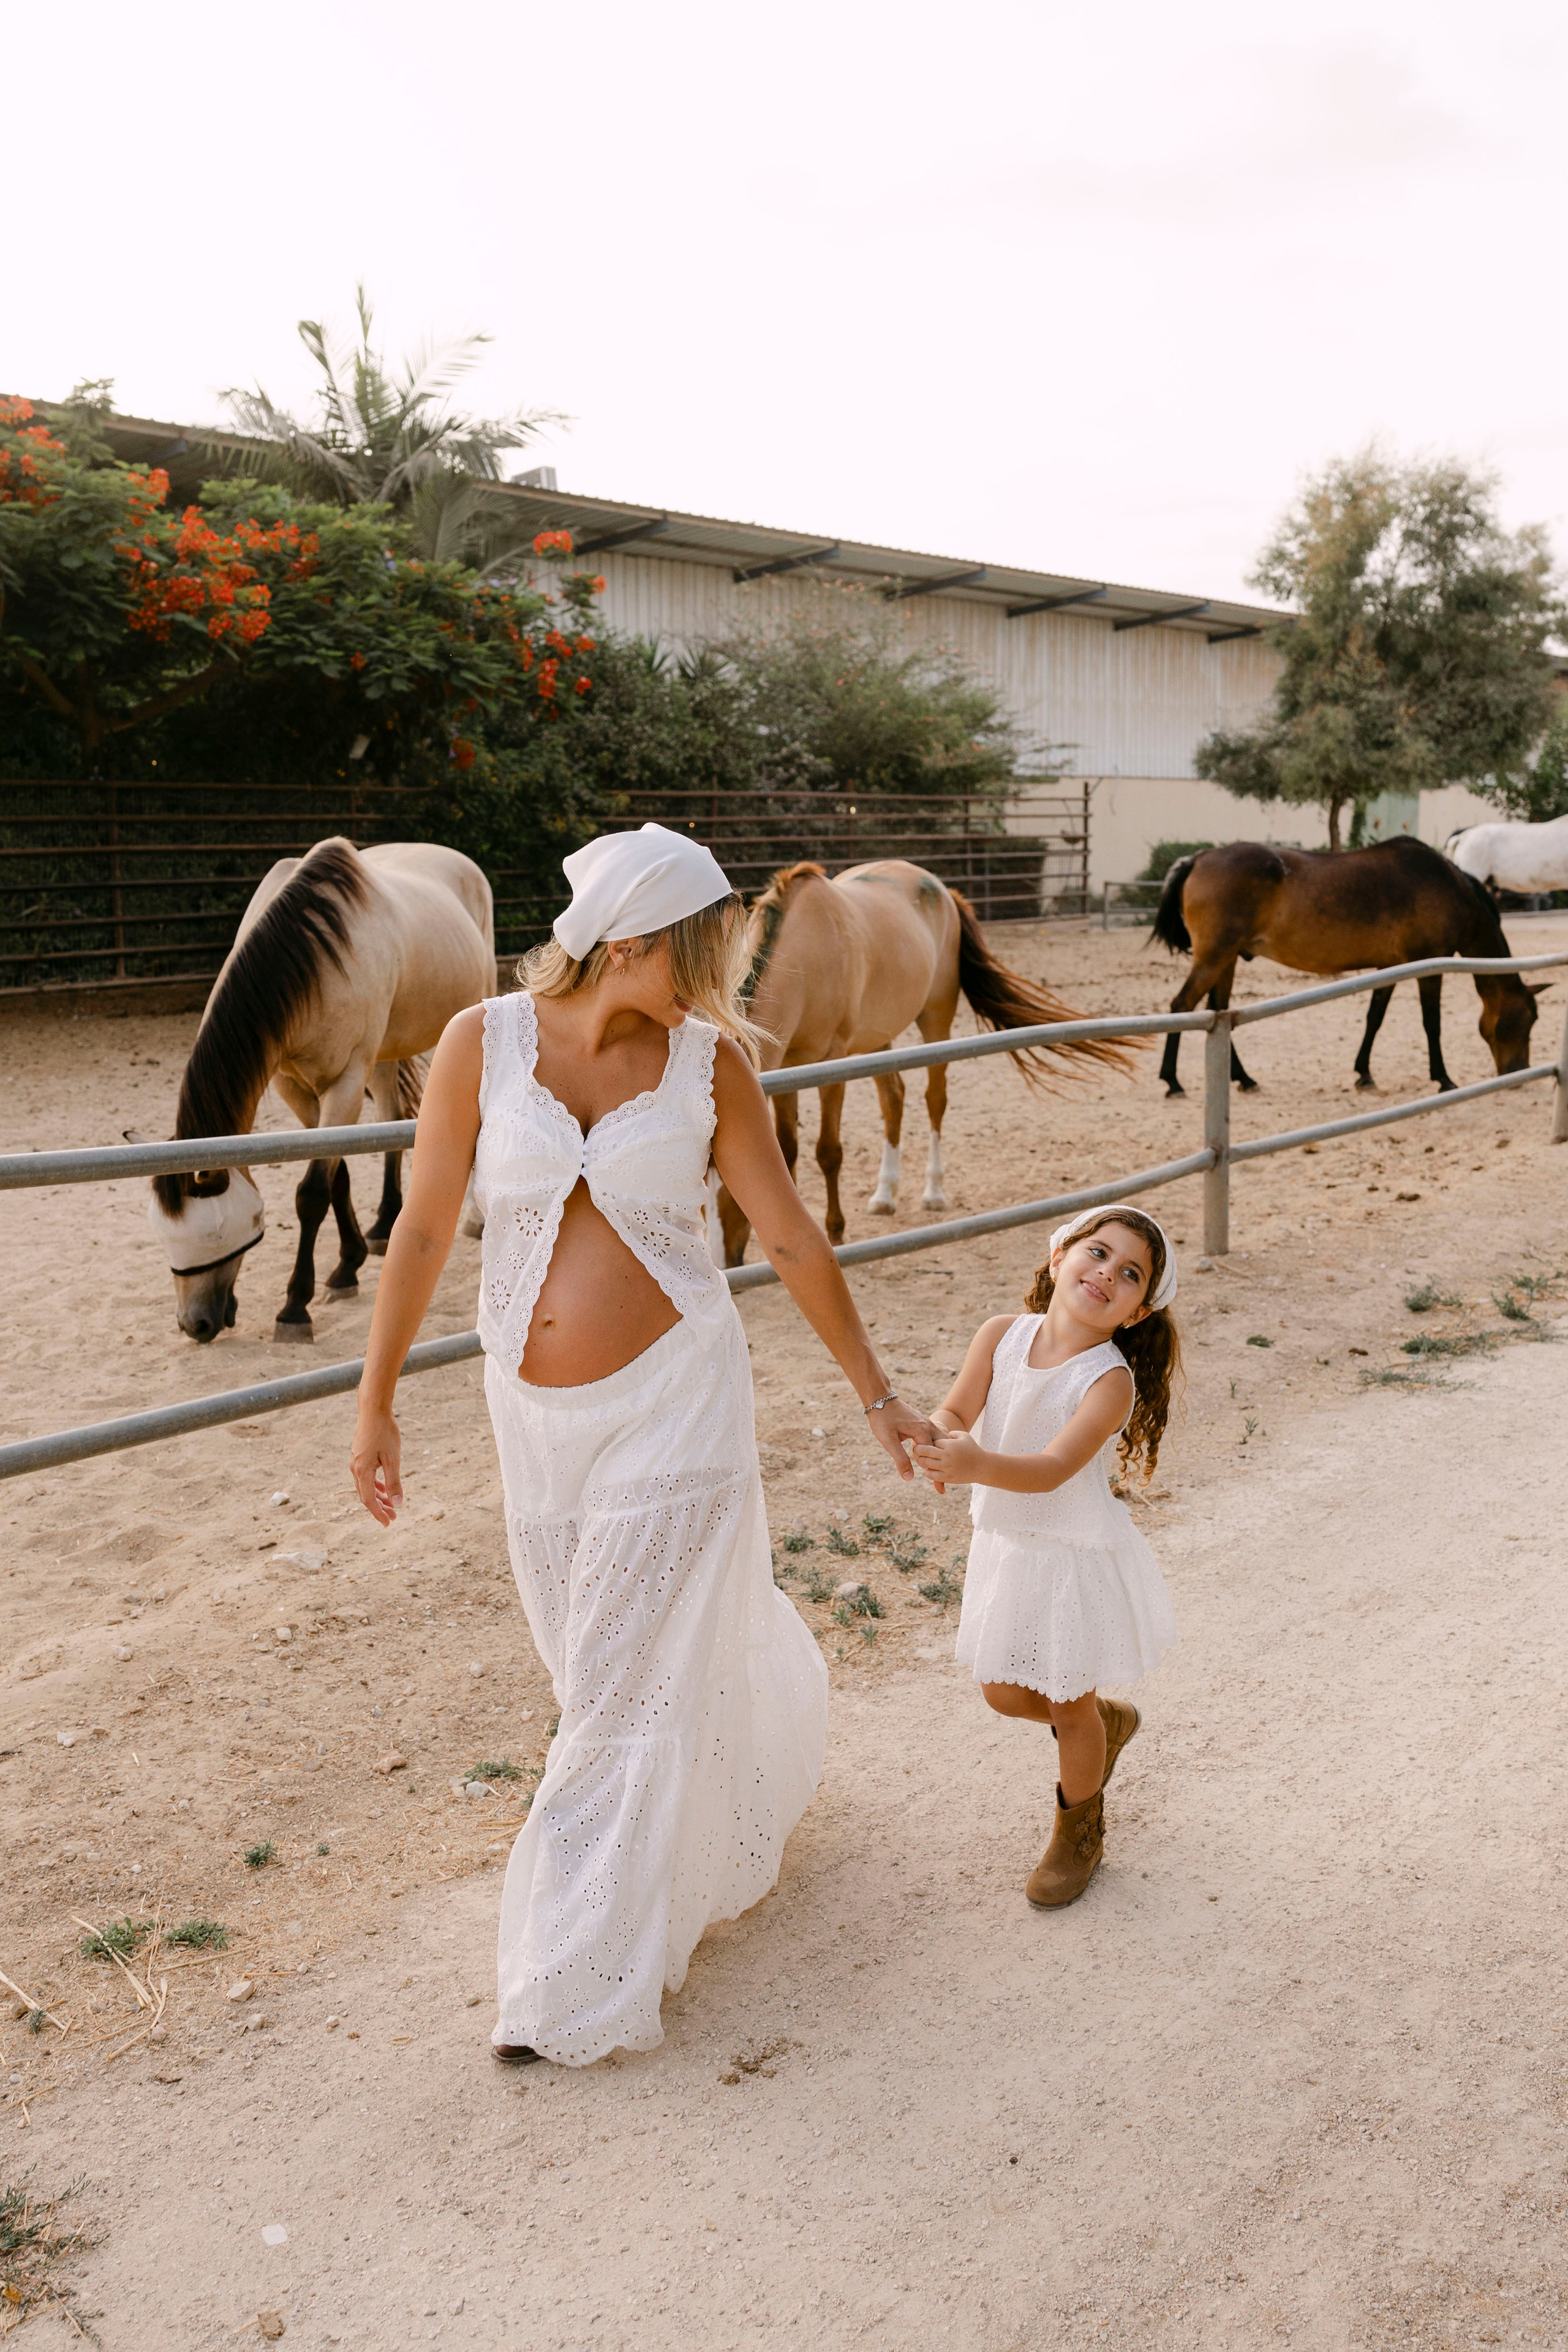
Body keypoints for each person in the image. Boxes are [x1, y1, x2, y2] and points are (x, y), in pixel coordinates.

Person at [349, 824, 935, 2065]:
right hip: (534, 1414)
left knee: (614, 1688)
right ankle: (696, 1825)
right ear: (628, 941)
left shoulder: (706, 1066)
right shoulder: (478, 1044)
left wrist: (877, 1394)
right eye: (697, 951)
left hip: (678, 1402)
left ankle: (570, 1985)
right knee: (593, 1670)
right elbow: (420, 1230)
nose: (713, 976)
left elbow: (784, 1236)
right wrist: (376, 1400)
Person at [910, 1205, 1179, 1908]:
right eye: (1097, 1253)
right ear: (1058, 1256)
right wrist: (935, 1439)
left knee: (1065, 1702)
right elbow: (957, 1410)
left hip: (1069, 1557)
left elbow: (1054, 1467)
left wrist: (973, 1463)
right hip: (1008, 1545)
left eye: (1128, 1275)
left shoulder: (1106, 1381)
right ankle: (1103, 1724)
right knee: (1003, 1692)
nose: (1105, 1275)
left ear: (1135, 1312)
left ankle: (1077, 1829)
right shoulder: (1001, 1334)